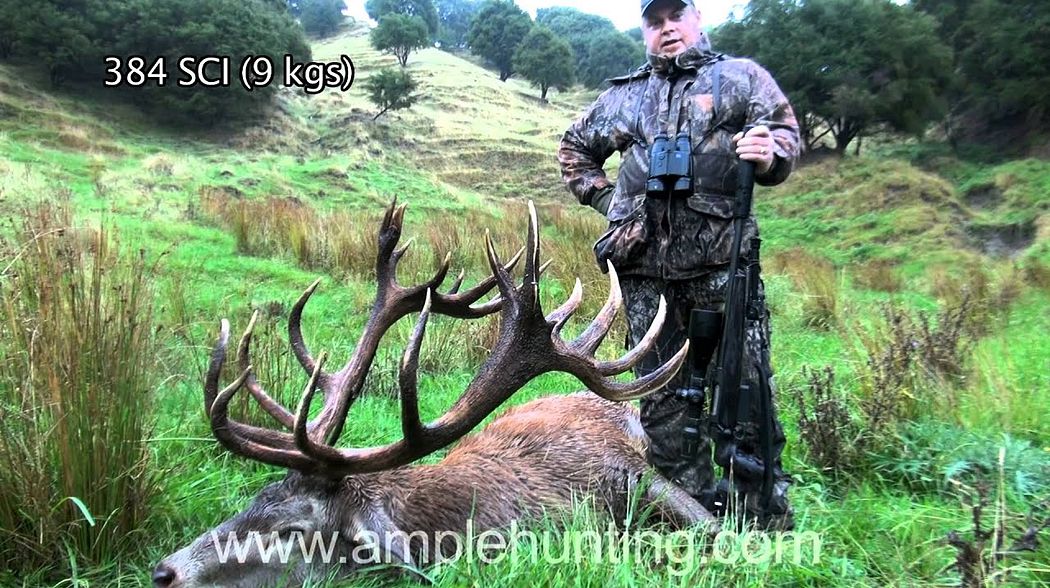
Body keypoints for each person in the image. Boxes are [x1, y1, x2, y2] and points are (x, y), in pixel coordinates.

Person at [557, 0, 800, 529]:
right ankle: (684, 514)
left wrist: (768, 151)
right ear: (644, 30)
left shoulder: (739, 78)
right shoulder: (623, 96)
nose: (667, 29)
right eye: (654, 21)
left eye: (676, 17)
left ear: (696, 20)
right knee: (661, 397)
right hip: (645, 276)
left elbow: (783, 133)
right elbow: (574, 150)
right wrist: (611, 205)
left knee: (744, 390)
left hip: (721, 267)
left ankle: (759, 519)